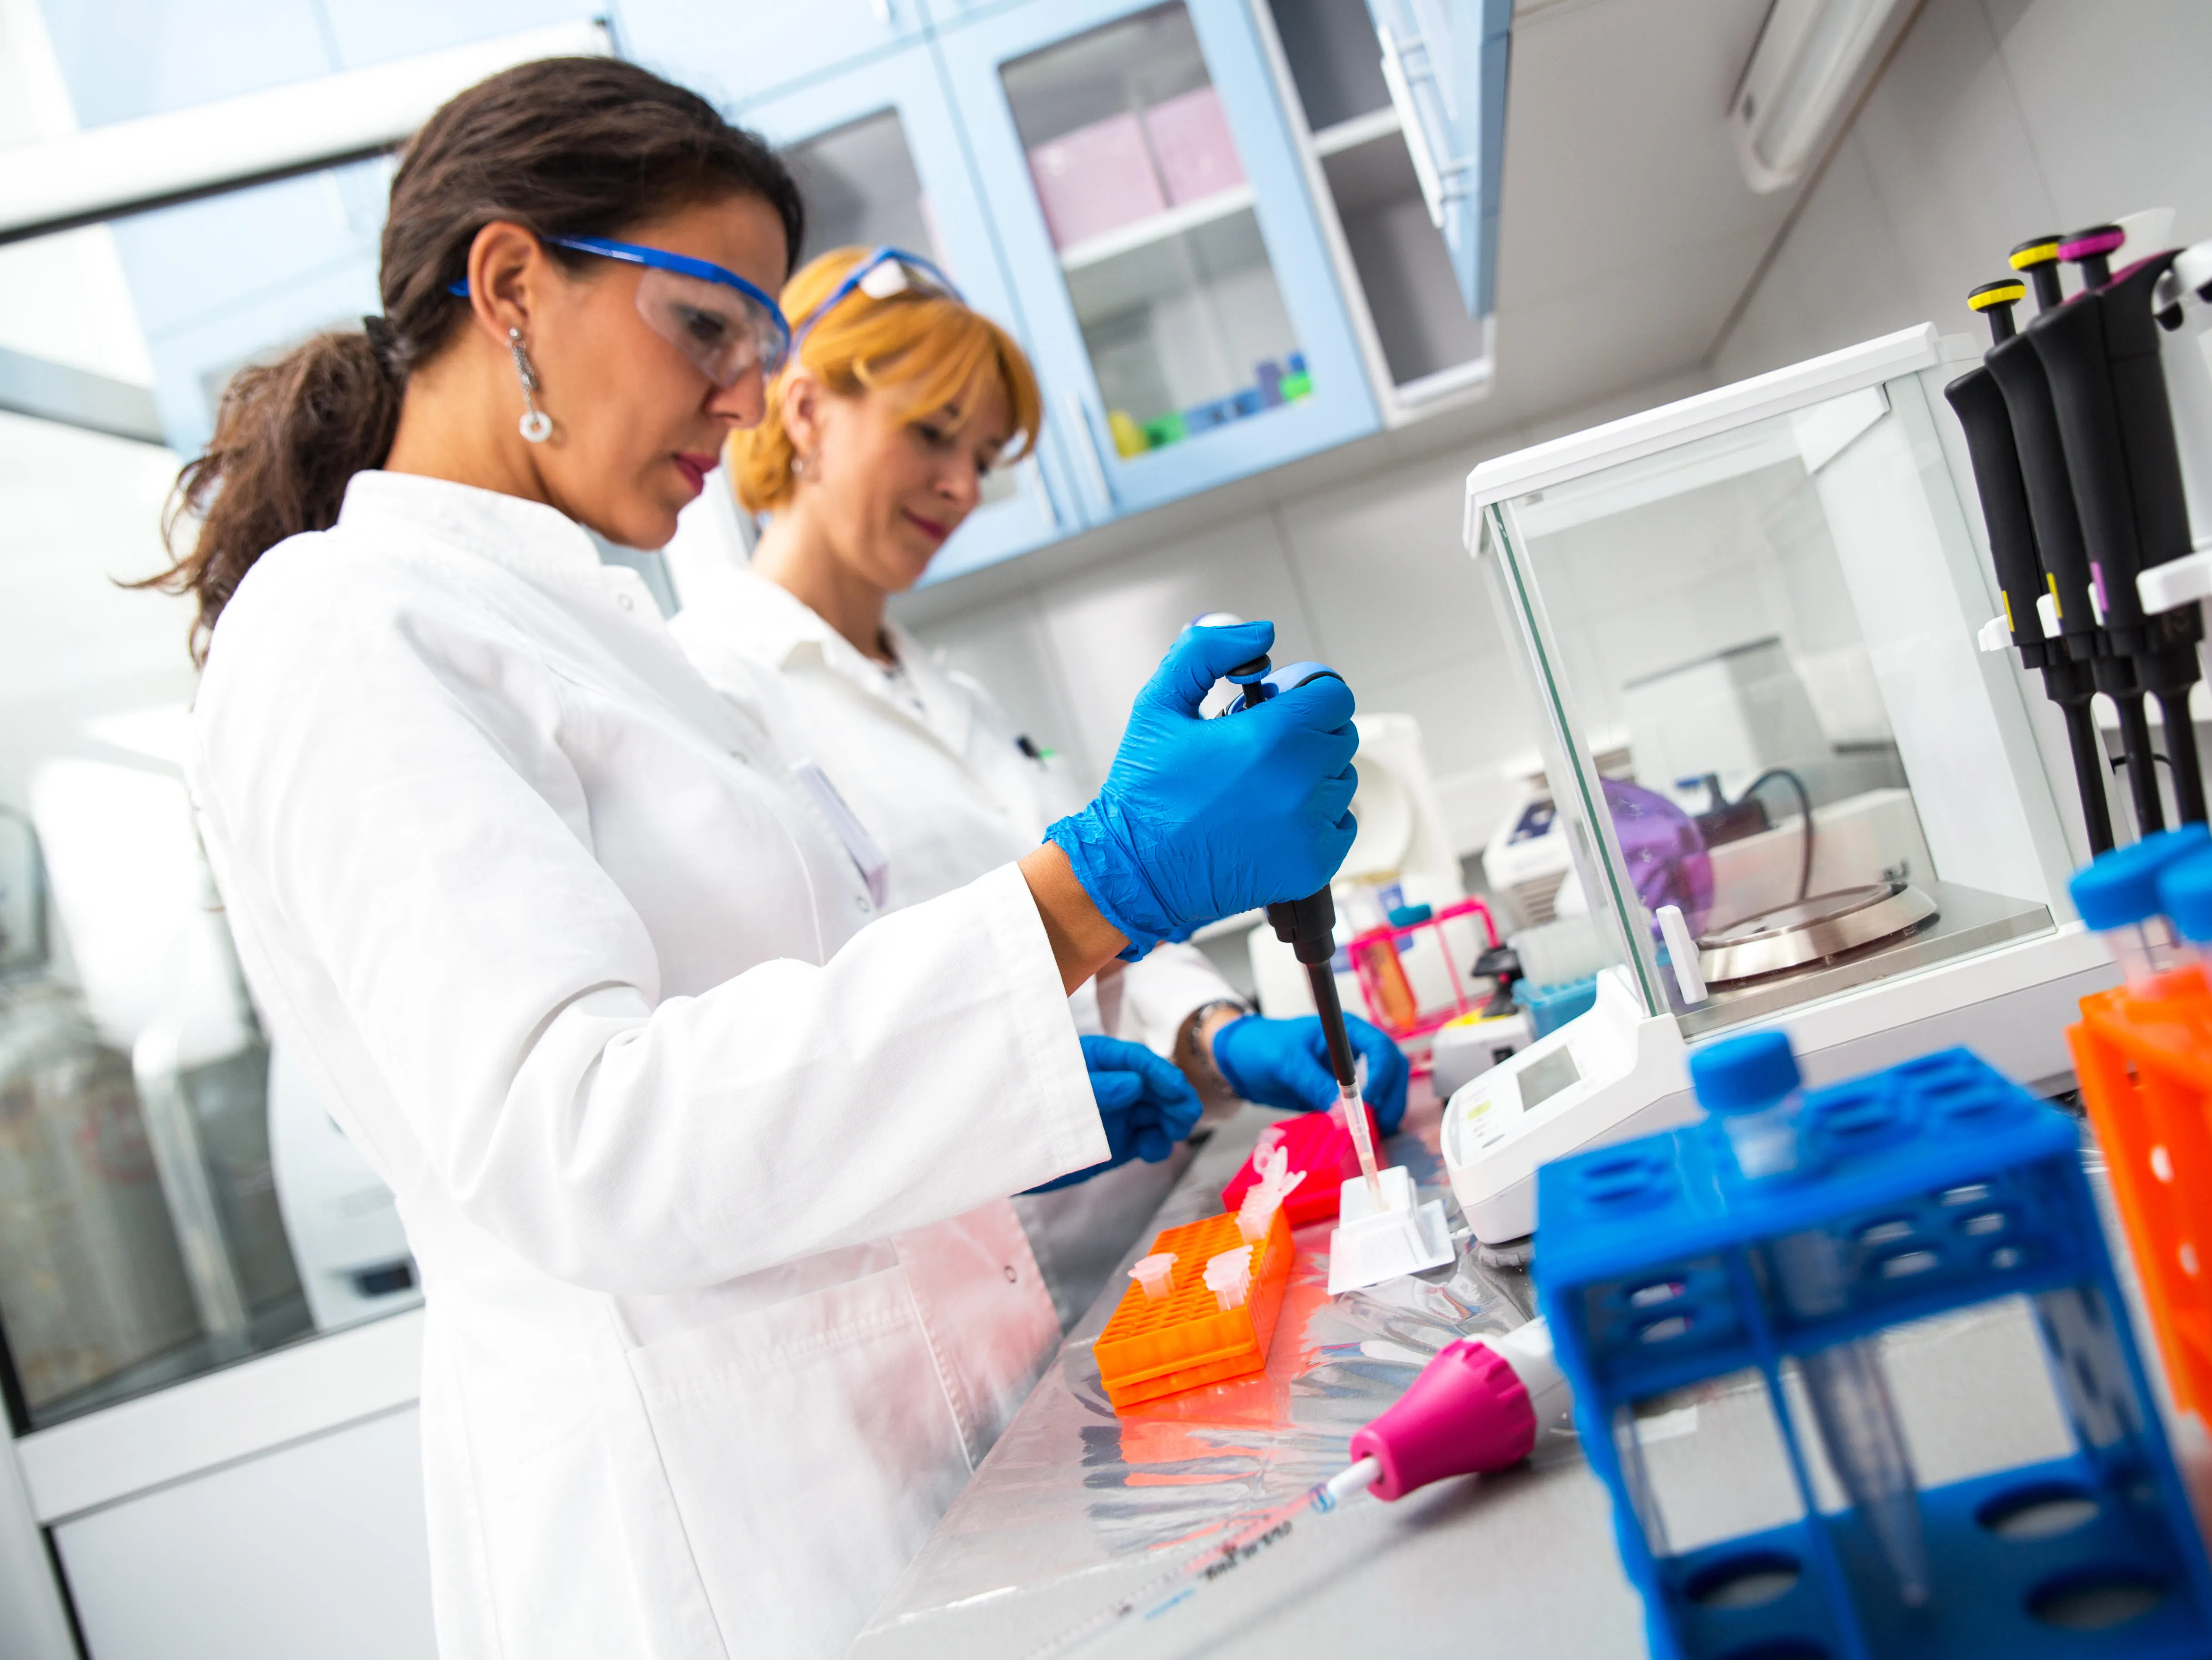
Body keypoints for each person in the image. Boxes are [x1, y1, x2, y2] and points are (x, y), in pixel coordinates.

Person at [147, 58, 1357, 1659]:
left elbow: (783, 1031)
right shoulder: (343, 628)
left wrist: (1016, 1118)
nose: (743, 395)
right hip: (729, 1539)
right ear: (510, 284)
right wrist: (1086, 895)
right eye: (705, 327)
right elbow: (581, 1135)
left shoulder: (630, 646)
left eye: (760, 345)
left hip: (934, 1456)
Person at [668, 245, 1410, 1321]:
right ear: (806, 411)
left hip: (1144, 1255)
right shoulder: (716, 695)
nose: (965, 487)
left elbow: (1086, 929)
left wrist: (1217, 1032)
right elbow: (801, 1060)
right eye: (931, 435)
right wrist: (991, 1117)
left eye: (983, 456)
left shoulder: (952, 696)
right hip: (965, 1302)